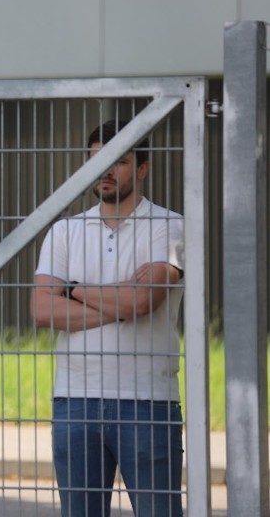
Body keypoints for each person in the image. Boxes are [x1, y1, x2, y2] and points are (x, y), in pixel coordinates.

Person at [30, 120, 185, 517]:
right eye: (96, 159)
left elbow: (144, 301)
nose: (106, 170)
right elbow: (41, 310)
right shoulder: (65, 231)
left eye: (119, 160)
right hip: (75, 400)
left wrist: (72, 289)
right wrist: (119, 300)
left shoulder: (173, 227)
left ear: (143, 168)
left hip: (147, 400)